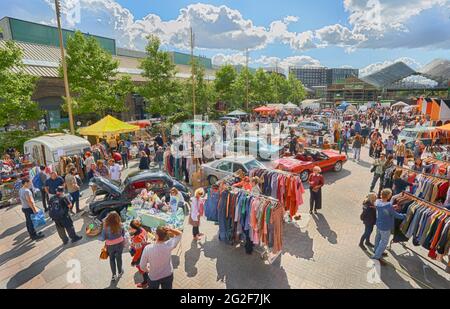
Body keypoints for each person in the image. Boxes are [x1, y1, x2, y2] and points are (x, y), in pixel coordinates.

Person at [371, 189, 406, 263]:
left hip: (379, 223)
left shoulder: (377, 202)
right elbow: (396, 215)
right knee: (384, 242)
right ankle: (377, 256)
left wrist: (392, 207)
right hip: (385, 226)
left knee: (378, 237)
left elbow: (384, 209)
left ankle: (376, 250)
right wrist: (405, 216)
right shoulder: (388, 205)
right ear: (388, 195)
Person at [102, 211, 125, 282]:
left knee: (111, 259)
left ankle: (114, 275)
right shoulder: (121, 225)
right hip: (120, 244)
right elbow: (123, 234)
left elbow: (103, 238)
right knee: (119, 258)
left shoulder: (105, 227)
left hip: (110, 246)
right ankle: (120, 271)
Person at [129, 219, 148, 288]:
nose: (130, 229)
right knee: (143, 266)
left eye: (131, 228)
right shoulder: (143, 230)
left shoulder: (137, 238)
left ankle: (145, 282)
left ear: (135, 229)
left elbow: (138, 252)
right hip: (144, 250)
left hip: (140, 254)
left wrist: (134, 261)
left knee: (141, 267)